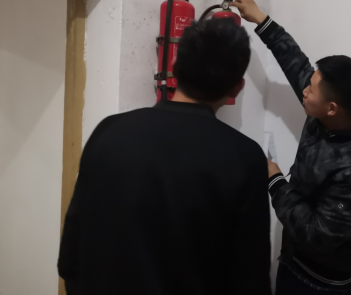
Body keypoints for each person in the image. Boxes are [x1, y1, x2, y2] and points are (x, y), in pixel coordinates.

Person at [58, 19, 272, 295]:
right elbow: (250, 280)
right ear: (237, 88)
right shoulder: (245, 159)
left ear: (174, 67)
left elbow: (71, 256)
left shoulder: (108, 132)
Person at [231, 0, 351, 295]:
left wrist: (275, 180)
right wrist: (260, 18)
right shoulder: (330, 109)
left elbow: (316, 235)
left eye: (311, 89)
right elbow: (295, 61)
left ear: (331, 108)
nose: (304, 90)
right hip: (292, 261)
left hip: (322, 284)